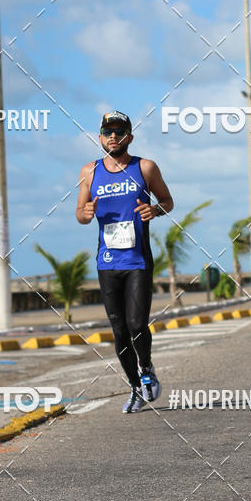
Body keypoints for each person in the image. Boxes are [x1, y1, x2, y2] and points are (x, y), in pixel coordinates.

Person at [76, 111, 174, 413]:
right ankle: (134, 386)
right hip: (107, 261)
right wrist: (87, 213)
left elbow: (168, 202)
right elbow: (79, 213)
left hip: (137, 259)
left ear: (129, 137)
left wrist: (154, 211)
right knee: (118, 330)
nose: (113, 137)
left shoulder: (145, 168)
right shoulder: (89, 172)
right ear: (100, 137)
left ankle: (146, 368)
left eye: (119, 132)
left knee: (136, 324)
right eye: (108, 132)